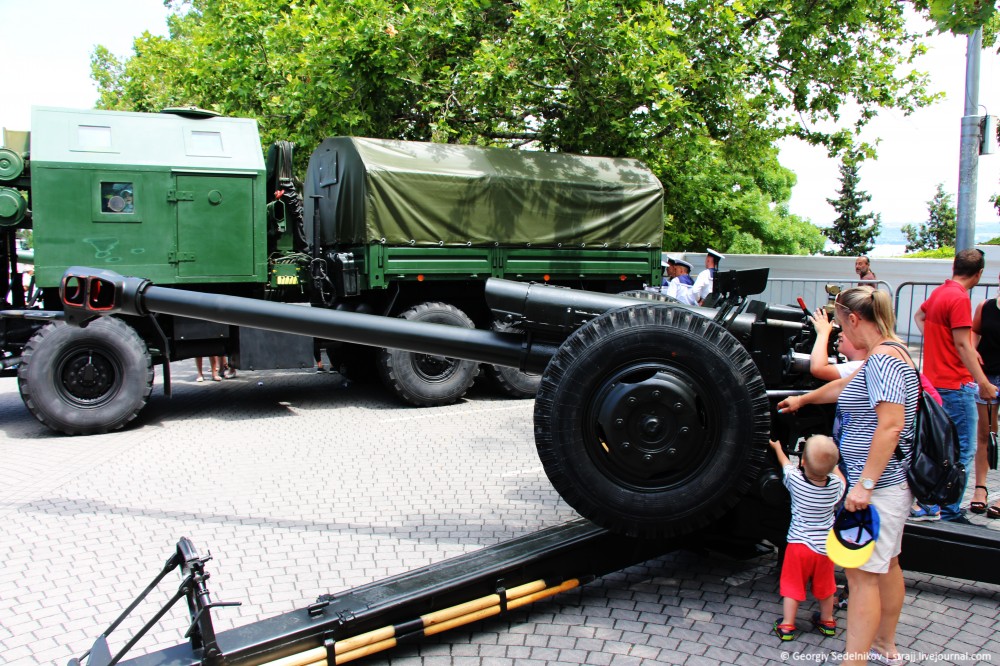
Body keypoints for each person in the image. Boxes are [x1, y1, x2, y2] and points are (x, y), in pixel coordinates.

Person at [777, 286, 919, 666]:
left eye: (840, 325)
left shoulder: (885, 361)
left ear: (855, 319)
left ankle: (853, 661)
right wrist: (804, 399)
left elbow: (890, 427)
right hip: (888, 485)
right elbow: (846, 386)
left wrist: (865, 485)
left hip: (879, 487)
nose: (841, 333)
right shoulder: (886, 354)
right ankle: (885, 645)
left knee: (861, 576)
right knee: (887, 566)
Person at [911, 248, 998, 523]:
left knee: (941, 448)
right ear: (979, 273)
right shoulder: (960, 298)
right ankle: (948, 509)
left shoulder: (940, 292)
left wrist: (940, 343)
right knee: (963, 449)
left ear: (954, 267)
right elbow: (963, 343)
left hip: (937, 383)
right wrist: (983, 382)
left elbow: (919, 317)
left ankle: (932, 505)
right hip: (956, 384)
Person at [769, 435, 845, 642]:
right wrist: (834, 465)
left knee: (793, 586)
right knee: (825, 586)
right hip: (824, 549)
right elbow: (842, 480)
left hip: (798, 546)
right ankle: (827, 621)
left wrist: (777, 448)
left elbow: (785, 464)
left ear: (802, 462)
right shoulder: (835, 488)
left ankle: (787, 625)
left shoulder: (795, 482)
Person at [971, 279, 1000, 518]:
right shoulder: (986, 306)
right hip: (988, 376)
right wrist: (973, 356)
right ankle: (980, 488)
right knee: (986, 433)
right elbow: (974, 332)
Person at [809, 307, 866, 381]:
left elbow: (818, 369)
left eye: (845, 330)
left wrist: (822, 333)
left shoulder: (859, 367)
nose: (840, 334)